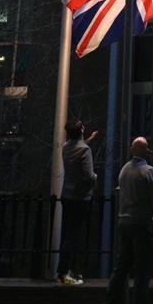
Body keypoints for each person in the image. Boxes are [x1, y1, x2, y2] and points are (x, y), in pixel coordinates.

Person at [99, 137, 153, 304]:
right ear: (146, 151)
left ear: (131, 150)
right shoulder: (148, 172)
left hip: (124, 223)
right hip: (142, 224)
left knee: (121, 269)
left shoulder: (124, 170)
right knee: (143, 271)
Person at [57, 117, 99, 285]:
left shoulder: (66, 147)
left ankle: (68, 271)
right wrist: (96, 178)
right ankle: (66, 272)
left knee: (68, 234)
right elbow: (89, 176)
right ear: (81, 130)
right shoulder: (85, 151)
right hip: (80, 197)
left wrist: (90, 140)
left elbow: (78, 147)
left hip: (67, 195)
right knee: (74, 237)